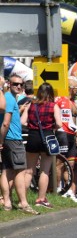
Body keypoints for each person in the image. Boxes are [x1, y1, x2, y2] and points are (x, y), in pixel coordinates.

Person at [1, 76, 39, 214]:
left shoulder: (8, 98)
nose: (18, 86)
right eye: (15, 84)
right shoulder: (10, 99)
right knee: (20, 171)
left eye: (21, 84)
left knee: (7, 170)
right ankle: (23, 203)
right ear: (9, 84)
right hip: (13, 139)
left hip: (7, 139)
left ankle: (7, 203)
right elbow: (6, 122)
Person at [24, 83, 63, 209]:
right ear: (51, 93)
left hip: (32, 137)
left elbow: (22, 121)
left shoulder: (31, 105)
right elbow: (59, 123)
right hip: (47, 137)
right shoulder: (53, 106)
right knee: (44, 171)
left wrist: (32, 125)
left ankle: (22, 199)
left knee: (29, 170)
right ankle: (41, 199)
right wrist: (51, 127)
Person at [55, 77, 77, 200]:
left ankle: (69, 190)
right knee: (60, 164)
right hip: (62, 133)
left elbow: (75, 120)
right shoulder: (60, 100)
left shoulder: (73, 102)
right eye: (76, 88)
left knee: (70, 165)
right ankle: (58, 188)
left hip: (71, 134)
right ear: (71, 88)